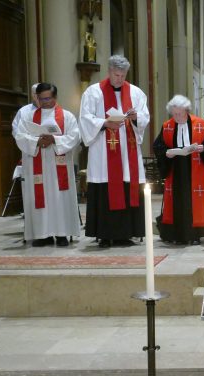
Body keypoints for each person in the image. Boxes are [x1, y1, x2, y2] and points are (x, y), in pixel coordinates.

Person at [79, 55, 150, 248]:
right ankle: (104, 234)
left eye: (122, 75)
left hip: (128, 153)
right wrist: (104, 123)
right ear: (109, 71)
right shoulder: (93, 93)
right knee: (105, 189)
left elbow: (144, 117)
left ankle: (126, 233)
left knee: (127, 186)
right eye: (116, 74)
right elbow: (85, 119)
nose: (119, 78)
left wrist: (135, 117)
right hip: (103, 152)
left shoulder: (135, 93)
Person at [13, 83, 81, 246]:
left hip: (59, 165)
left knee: (59, 197)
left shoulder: (67, 116)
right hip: (37, 164)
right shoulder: (28, 117)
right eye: (41, 98)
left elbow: (75, 136)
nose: (44, 102)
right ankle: (42, 234)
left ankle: (62, 234)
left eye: (48, 98)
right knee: (39, 197)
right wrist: (37, 141)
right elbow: (20, 136)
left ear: (55, 97)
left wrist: (54, 140)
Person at [152, 95, 204, 245]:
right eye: (174, 114)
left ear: (186, 111)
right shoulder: (167, 126)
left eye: (180, 114)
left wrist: (203, 148)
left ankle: (197, 233)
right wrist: (166, 153)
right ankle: (178, 234)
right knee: (178, 202)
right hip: (176, 172)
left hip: (197, 170)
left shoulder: (199, 124)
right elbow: (158, 146)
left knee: (195, 201)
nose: (177, 117)